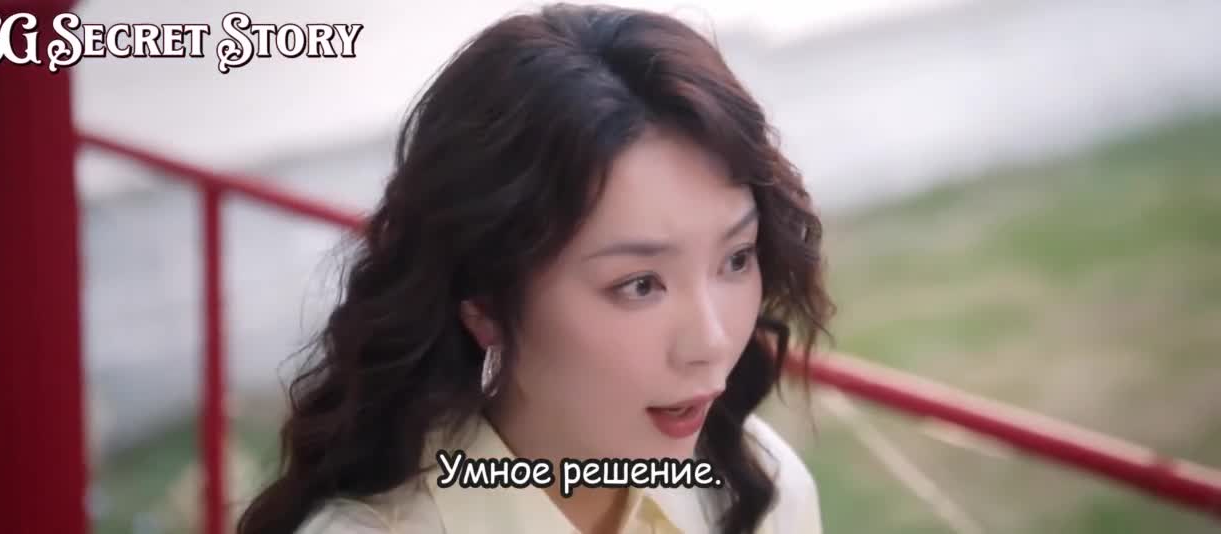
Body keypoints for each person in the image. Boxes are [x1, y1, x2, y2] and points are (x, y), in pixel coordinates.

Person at [237, 3, 833, 533]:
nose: (712, 342)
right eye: (640, 285)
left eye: (736, 258)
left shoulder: (759, 491)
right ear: (485, 306)